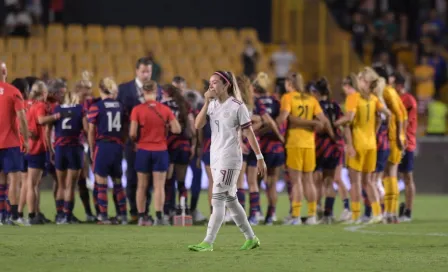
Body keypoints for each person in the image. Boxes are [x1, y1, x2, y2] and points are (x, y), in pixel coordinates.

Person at [189, 71, 264, 252]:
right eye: (210, 82)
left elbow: (249, 133)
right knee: (231, 200)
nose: (211, 86)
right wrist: (206, 102)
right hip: (216, 156)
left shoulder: (238, 106)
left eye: (215, 83)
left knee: (217, 199)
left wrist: (259, 157)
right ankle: (251, 238)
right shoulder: (212, 105)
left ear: (226, 85)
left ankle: (208, 242)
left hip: (230, 158)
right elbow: (197, 125)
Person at [277, 72, 332, 225]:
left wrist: (273, 125)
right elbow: (324, 121)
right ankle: (312, 215)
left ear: (289, 83)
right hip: (309, 144)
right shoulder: (311, 99)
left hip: (294, 143)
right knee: (308, 180)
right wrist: (315, 125)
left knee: (296, 182)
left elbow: (283, 118)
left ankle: (295, 216)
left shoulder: (287, 98)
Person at [335, 69, 390, 224]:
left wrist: (336, 123)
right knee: (369, 182)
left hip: (358, 144)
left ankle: (355, 216)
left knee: (355, 182)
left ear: (364, 82)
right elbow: (386, 114)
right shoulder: (374, 99)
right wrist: (375, 130)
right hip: (371, 144)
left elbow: (349, 118)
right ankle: (378, 213)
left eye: (359, 79)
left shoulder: (353, 98)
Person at [130, 80, 181, 226]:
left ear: (142, 92)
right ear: (156, 91)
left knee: (142, 185)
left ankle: (141, 216)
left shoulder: (137, 110)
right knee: (159, 186)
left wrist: (139, 139)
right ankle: (159, 216)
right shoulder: (164, 109)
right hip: (160, 150)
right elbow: (177, 129)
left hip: (143, 150)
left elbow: (132, 133)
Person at [118, 57, 161, 223]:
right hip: (131, 142)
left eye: (148, 71)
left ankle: (145, 211)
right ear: (136, 71)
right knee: (132, 177)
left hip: (152, 142)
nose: (145, 75)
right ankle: (134, 211)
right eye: (143, 71)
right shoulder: (124, 90)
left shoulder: (158, 90)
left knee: (148, 179)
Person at [87, 78, 127, 225]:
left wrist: (92, 149)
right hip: (117, 147)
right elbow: (126, 127)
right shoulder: (121, 106)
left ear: (100, 89)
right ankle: (122, 215)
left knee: (101, 183)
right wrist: (122, 142)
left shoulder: (96, 107)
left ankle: (103, 216)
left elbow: (91, 131)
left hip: (102, 146)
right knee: (118, 183)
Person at [311, 78, 350, 224]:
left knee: (316, 182)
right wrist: (345, 142)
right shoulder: (335, 105)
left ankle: (316, 211)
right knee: (329, 181)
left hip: (320, 146)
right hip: (334, 147)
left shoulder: (315, 105)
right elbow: (344, 123)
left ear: (315, 92)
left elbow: (320, 126)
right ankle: (328, 214)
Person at [48, 85, 88, 224]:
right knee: (70, 185)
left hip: (60, 148)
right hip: (74, 148)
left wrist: (50, 148)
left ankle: (60, 215)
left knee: (61, 184)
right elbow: (87, 129)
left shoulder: (56, 109)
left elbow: (48, 130)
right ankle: (67, 215)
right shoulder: (80, 109)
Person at [373, 66, 407, 223]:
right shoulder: (391, 91)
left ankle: (389, 212)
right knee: (391, 175)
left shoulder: (386, 92)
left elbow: (399, 115)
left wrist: (399, 136)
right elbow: (403, 114)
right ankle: (391, 213)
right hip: (395, 136)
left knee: (389, 174)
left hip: (392, 137)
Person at [252, 72, 285, 225]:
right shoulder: (276, 101)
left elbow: (266, 122)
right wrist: (280, 137)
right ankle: (271, 215)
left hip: (262, 147)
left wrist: (259, 131)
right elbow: (280, 122)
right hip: (277, 148)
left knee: (255, 181)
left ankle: (256, 211)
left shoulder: (255, 102)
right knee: (272, 182)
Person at [25, 81, 59, 224]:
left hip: (33, 147)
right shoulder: (39, 106)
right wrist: (56, 116)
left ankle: (36, 213)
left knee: (34, 183)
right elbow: (41, 120)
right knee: (32, 184)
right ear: (43, 93)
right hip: (37, 148)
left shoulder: (30, 105)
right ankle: (32, 215)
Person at [0, 63, 29, 226]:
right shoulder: (13, 91)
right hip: (10, 142)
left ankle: (1, 216)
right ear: (5, 71)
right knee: (14, 180)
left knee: (1, 182)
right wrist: (25, 139)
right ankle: (14, 216)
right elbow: (22, 119)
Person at [161, 84, 196, 219]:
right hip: (184, 146)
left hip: (169, 145)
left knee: (168, 180)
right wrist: (193, 145)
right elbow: (193, 128)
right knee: (181, 181)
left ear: (166, 93)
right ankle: (183, 209)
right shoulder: (185, 105)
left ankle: (167, 211)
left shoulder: (163, 105)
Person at [397, 73, 417, 222]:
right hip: (394, 142)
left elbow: (406, 123)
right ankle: (393, 209)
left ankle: (408, 211)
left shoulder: (408, 100)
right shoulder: (393, 98)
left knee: (407, 177)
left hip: (406, 142)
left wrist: (401, 140)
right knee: (390, 176)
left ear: (399, 85)